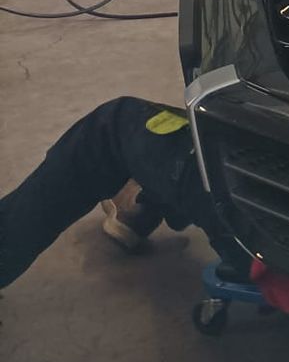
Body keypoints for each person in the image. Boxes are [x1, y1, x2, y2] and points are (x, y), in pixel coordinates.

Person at [0, 96, 231, 289]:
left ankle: (144, 195)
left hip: (252, 216)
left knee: (111, 128)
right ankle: (144, 196)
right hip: (260, 222)